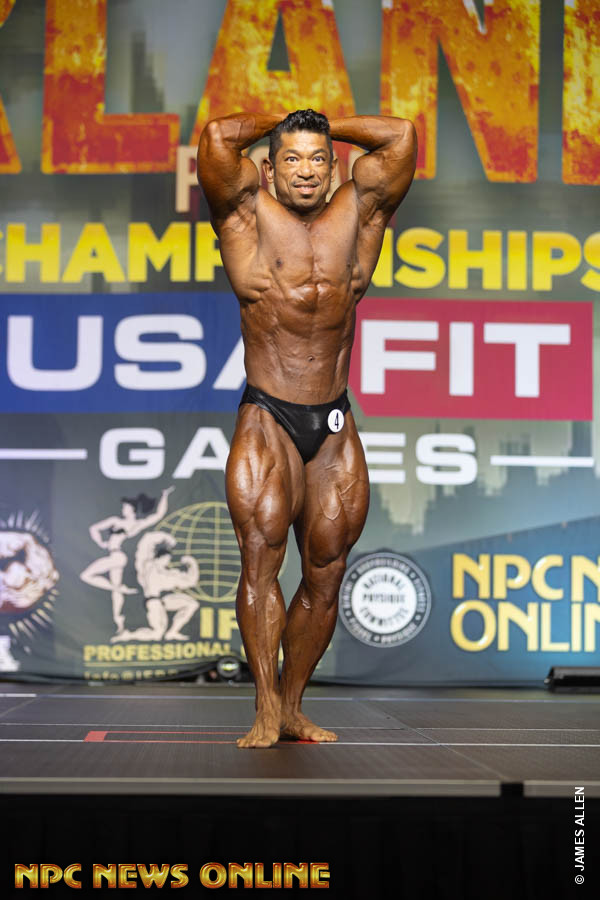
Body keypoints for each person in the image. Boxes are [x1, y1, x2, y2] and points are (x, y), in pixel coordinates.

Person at [197, 108, 416, 748]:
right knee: (261, 562)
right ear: (269, 168)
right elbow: (217, 139)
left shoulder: (360, 211)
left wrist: (325, 119)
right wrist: (283, 118)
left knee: (326, 571)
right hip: (269, 413)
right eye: (291, 159)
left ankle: (292, 705)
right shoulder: (245, 214)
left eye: (318, 158)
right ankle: (265, 706)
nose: (305, 171)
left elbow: (401, 137)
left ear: (335, 165)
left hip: (334, 420)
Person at [80, 488, 174, 638]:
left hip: (117, 556)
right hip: (116, 556)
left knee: (86, 575)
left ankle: (120, 589)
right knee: (116, 593)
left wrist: (164, 496)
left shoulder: (134, 524)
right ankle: (119, 624)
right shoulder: (116, 521)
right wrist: (101, 543)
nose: (123, 509)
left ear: (132, 509)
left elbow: (158, 515)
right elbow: (94, 528)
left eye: (125, 507)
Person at [112, 532, 200, 642]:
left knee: (192, 604)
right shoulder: (148, 567)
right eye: (165, 559)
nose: (167, 562)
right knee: (157, 634)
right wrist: (166, 538)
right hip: (153, 602)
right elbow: (147, 542)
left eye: (168, 560)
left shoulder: (165, 573)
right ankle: (128, 635)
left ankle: (173, 632)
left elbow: (190, 581)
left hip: (162, 600)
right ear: (158, 558)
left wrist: (192, 564)